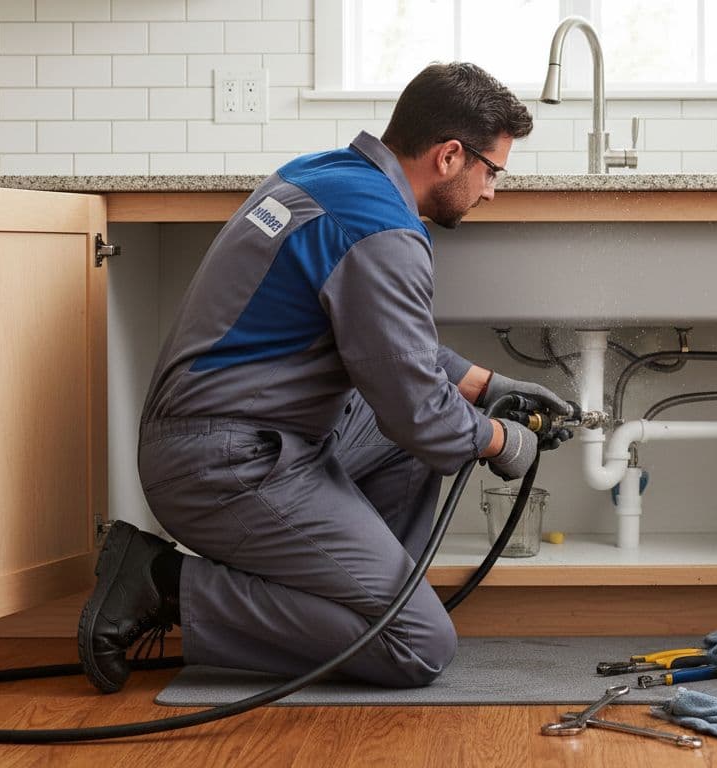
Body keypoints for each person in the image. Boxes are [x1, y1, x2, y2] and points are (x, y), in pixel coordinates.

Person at [77, 62, 571, 694]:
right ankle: (164, 584)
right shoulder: (383, 232)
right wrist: (502, 441)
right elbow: (421, 414)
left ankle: (359, 599)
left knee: (412, 440)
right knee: (419, 645)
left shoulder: (326, 174)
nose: (493, 191)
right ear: (450, 156)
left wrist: (486, 385)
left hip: (228, 432)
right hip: (226, 465)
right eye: (493, 170)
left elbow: (390, 348)